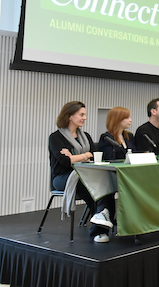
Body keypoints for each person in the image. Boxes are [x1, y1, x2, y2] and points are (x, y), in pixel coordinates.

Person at [49, 101, 114, 243]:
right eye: (81, 114)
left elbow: (96, 155)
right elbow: (65, 162)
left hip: (85, 175)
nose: (84, 118)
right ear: (70, 116)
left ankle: (100, 222)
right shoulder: (56, 137)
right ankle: (102, 221)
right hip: (62, 178)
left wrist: (73, 157)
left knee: (105, 182)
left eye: (85, 115)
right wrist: (85, 155)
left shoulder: (86, 136)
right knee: (95, 184)